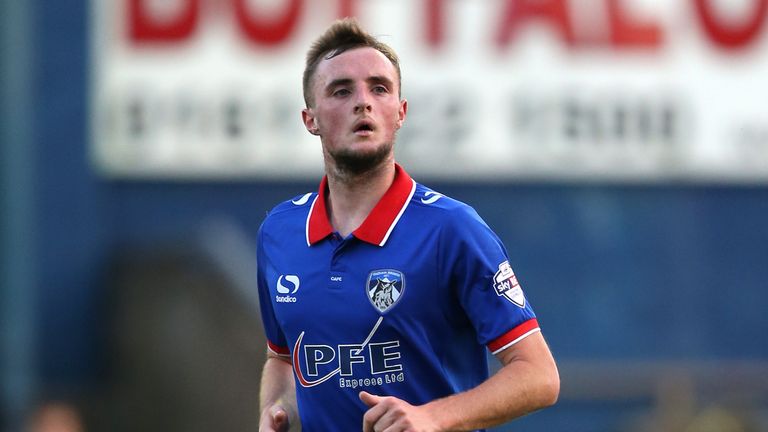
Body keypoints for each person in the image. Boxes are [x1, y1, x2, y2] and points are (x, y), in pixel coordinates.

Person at [257, 17, 559, 432]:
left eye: (378, 88)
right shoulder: (279, 232)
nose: (363, 102)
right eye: (341, 91)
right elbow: (282, 357)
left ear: (400, 112)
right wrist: (275, 409)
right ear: (310, 119)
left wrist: (431, 417)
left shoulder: (452, 229)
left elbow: (539, 375)